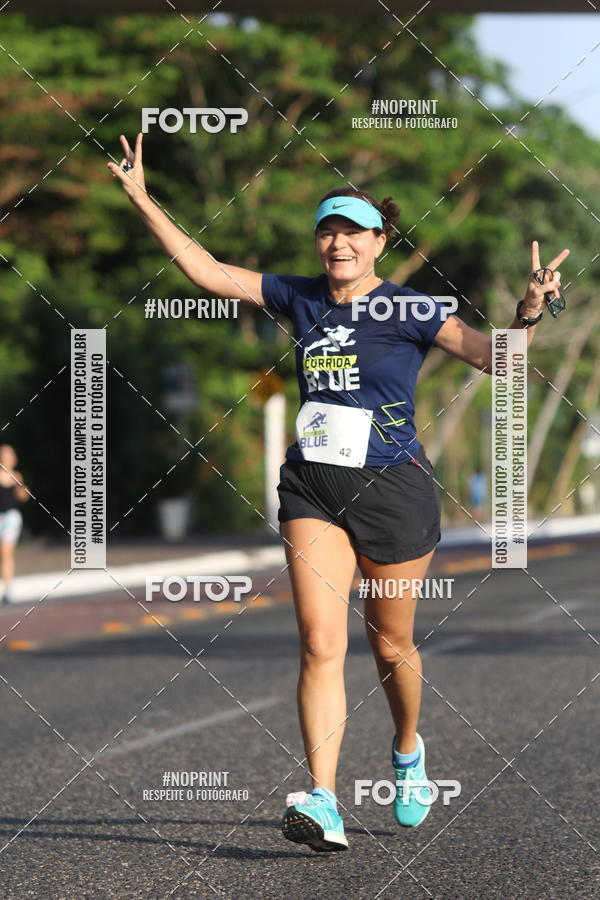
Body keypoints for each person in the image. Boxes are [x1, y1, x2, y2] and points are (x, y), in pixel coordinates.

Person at [108, 134, 568, 851]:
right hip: (313, 488)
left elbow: (494, 360)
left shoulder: (413, 310)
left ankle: (408, 752)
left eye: (352, 232)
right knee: (320, 645)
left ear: (380, 242)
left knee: (389, 647)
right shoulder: (297, 296)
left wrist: (529, 310)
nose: (337, 243)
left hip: (394, 490)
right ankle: (323, 799)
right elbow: (207, 270)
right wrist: (141, 196)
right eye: (327, 231)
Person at [0, 445, 29, 605]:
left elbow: (21, 497)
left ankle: (8, 588)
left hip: (11, 517)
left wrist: (23, 493)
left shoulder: (17, 476)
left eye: (8, 455)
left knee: (6, 551)